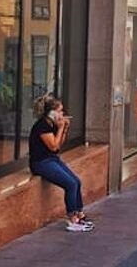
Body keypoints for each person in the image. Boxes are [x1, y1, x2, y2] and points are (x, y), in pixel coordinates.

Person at [28, 95, 94, 232]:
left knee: (76, 181)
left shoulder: (52, 125)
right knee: (69, 184)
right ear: (51, 113)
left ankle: (79, 213)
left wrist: (63, 129)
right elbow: (53, 146)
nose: (62, 114)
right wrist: (60, 128)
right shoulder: (42, 126)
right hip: (41, 162)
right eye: (59, 111)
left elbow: (58, 146)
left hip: (52, 159)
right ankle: (72, 218)